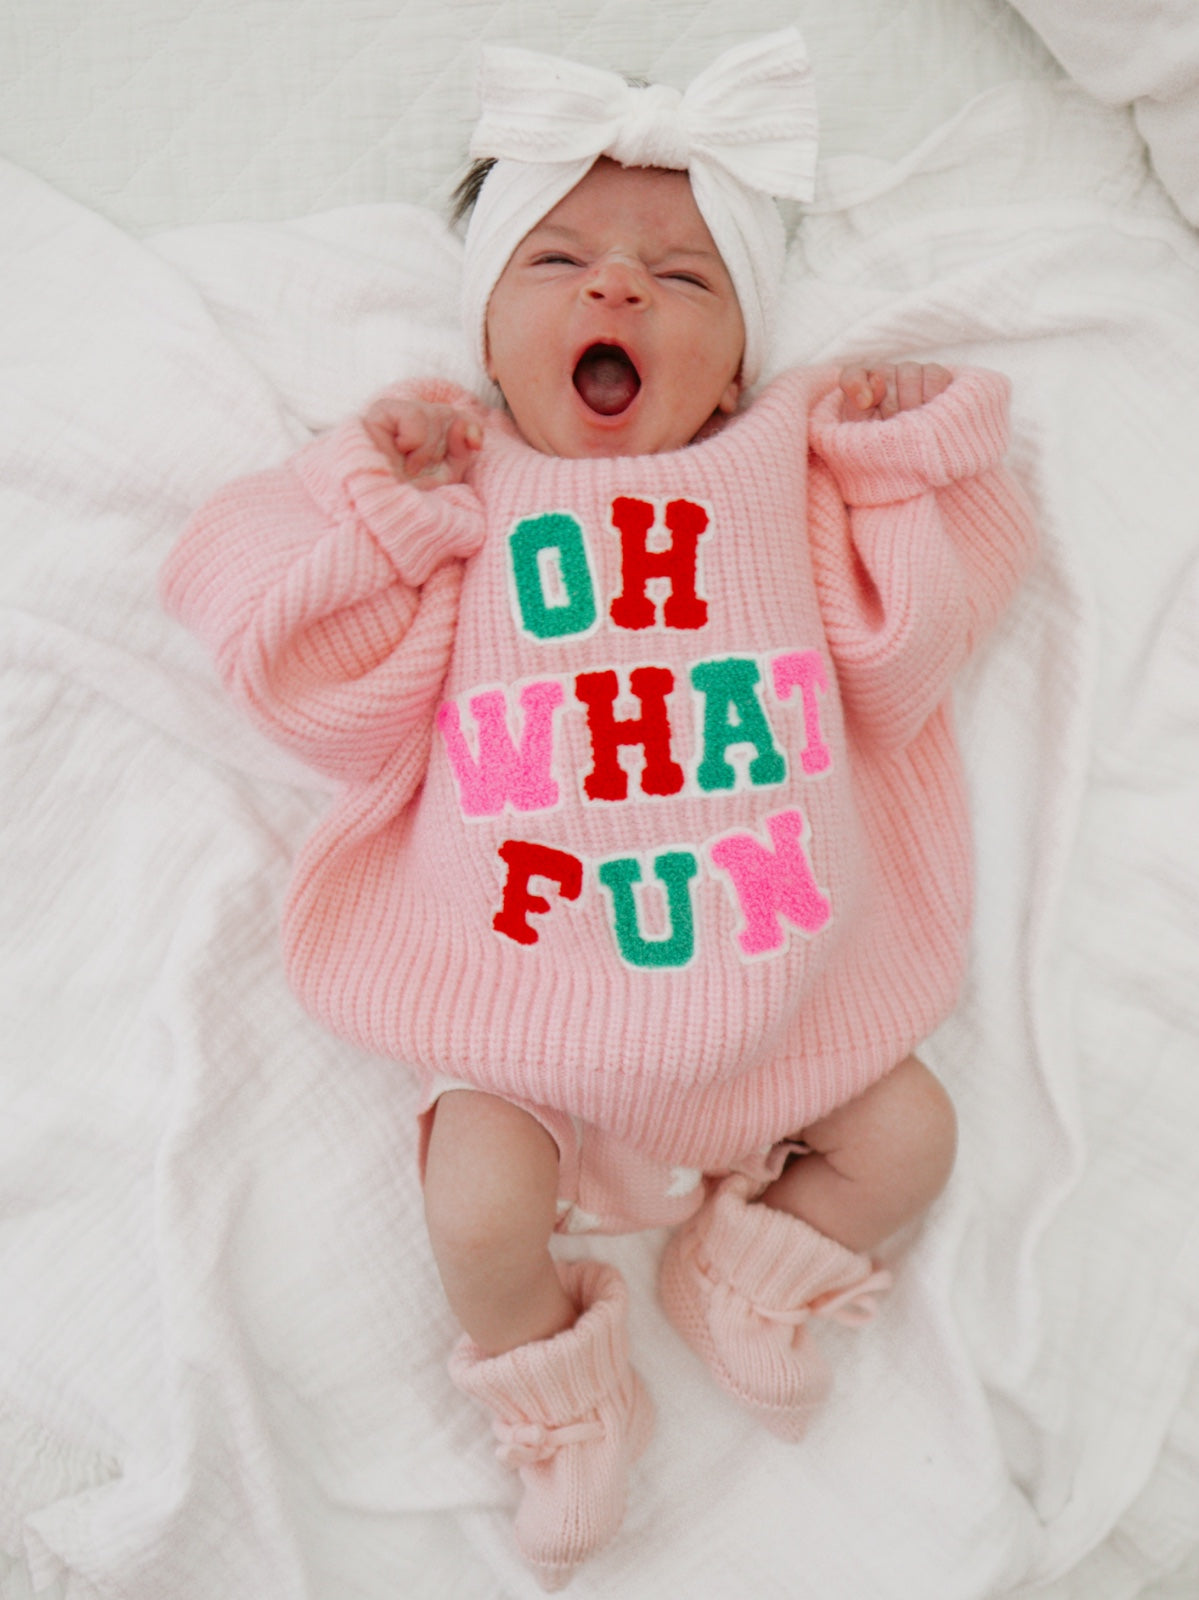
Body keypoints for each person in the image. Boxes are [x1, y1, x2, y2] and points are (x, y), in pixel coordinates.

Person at [161, 30, 1037, 1590]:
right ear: (492, 340)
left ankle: (747, 1275)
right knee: (476, 1209)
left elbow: (911, 650)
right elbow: (298, 670)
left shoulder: (783, 468)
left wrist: (899, 456)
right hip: (529, 995)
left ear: (739, 364)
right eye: (557, 261)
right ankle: (564, 1410)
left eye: (684, 279)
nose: (618, 288)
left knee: (912, 1134)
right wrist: (378, 499)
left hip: (781, 989)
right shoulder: (459, 482)